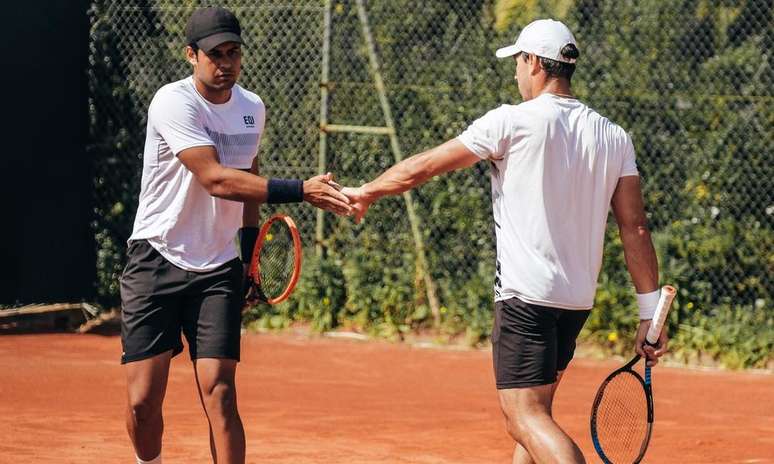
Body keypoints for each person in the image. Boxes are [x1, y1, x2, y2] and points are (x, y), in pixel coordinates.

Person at [341, 19, 668, 463]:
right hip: (575, 302)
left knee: (523, 418)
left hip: (526, 298)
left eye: (517, 61)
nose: (515, 73)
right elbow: (636, 227)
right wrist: (649, 313)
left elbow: (427, 166)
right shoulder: (614, 136)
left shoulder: (511, 121)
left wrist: (368, 191)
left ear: (534, 63)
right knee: (536, 416)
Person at [119, 6, 350, 464]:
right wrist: (302, 190)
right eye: (216, 55)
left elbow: (249, 181)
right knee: (143, 403)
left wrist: (247, 259)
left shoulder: (251, 107)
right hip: (156, 257)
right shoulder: (173, 102)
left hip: (219, 267)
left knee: (220, 391)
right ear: (191, 55)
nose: (226, 63)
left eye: (234, 53)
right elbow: (216, 179)